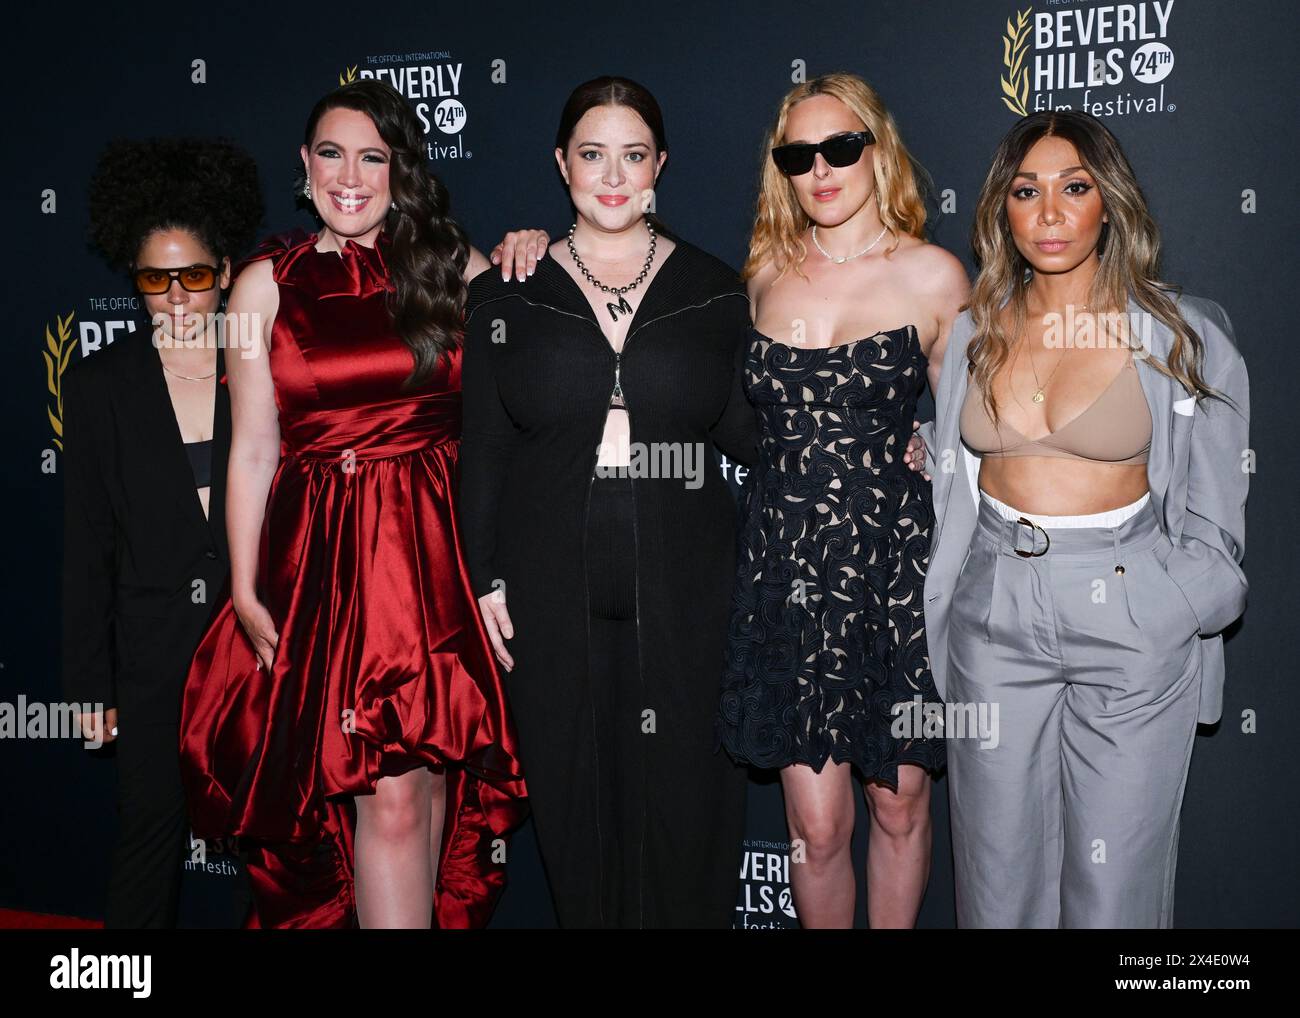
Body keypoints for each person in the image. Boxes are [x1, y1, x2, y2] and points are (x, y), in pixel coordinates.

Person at [177, 79, 548, 929]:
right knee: (375, 792)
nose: (351, 175)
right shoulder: (258, 287)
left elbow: (538, 391)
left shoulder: (457, 266)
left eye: (373, 156)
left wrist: (535, 257)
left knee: (416, 797)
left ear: (400, 169)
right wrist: (242, 585)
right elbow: (252, 447)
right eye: (332, 154)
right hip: (325, 566)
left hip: (439, 551)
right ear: (303, 167)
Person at [909, 109, 1249, 927]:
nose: (1050, 213)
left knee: (1115, 892)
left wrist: (1165, 606)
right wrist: (929, 448)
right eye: (1027, 192)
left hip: (1128, 608)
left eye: (1075, 188)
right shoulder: (972, 335)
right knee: (997, 887)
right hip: (993, 611)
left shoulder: (1181, 337)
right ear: (1002, 209)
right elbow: (966, 457)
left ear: (1110, 203)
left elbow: (1217, 521)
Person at [459, 76, 758, 928]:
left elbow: (749, 432)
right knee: (577, 816)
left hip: (690, 590)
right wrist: (483, 579)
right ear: (562, 165)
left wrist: (874, 437)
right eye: (593, 155)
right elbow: (484, 447)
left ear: (660, 164)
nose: (614, 175)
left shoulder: (714, 289)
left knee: (687, 813)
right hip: (550, 594)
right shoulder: (506, 291)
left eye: (633, 155)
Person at [716, 73, 966, 929]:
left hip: (892, 569)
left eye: (840, 147)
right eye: (798, 154)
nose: (820, 169)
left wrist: (934, 447)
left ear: (877, 149)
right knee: (816, 829)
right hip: (786, 568)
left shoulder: (934, 276)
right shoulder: (763, 276)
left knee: (898, 805)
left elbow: (980, 429)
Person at [62, 137, 263, 927]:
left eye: (196, 276)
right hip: (151, 659)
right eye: (154, 278)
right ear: (133, 280)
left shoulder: (260, 364)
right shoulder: (99, 387)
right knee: (147, 840)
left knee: (269, 848)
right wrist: (89, 683)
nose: (177, 297)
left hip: (255, 645)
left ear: (225, 270)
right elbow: (86, 548)